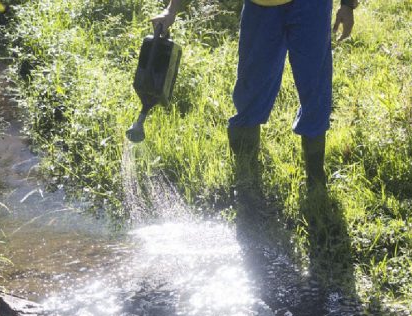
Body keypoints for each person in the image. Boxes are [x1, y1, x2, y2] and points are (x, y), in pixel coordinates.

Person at [152, 0, 358, 192]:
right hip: (260, 8)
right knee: (250, 90)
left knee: (315, 88)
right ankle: (246, 184)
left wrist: (347, 5)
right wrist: (171, 9)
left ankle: (315, 182)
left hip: (311, 7)